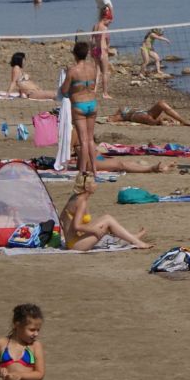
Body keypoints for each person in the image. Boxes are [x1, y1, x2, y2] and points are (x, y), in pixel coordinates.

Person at [56, 177, 151, 251]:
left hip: (74, 240)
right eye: (93, 183)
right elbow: (77, 226)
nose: (96, 185)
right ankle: (136, 241)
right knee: (108, 220)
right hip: (75, 244)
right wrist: (94, 230)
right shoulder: (81, 201)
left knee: (107, 218)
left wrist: (67, 232)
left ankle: (132, 238)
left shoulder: (76, 197)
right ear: (87, 187)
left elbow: (62, 218)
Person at [58, 40, 101, 178]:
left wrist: (69, 85)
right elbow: (93, 87)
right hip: (92, 104)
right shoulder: (93, 68)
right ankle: (94, 169)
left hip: (79, 105)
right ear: (87, 54)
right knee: (90, 139)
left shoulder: (72, 71)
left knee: (83, 140)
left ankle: (82, 171)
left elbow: (64, 91)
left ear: (74, 55)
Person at [113, 100, 190, 127]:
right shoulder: (122, 116)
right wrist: (161, 120)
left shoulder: (122, 110)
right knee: (160, 105)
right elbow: (111, 119)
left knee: (161, 103)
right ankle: (183, 121)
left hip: (145, 113)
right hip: (139, 116)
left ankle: (182, 121)